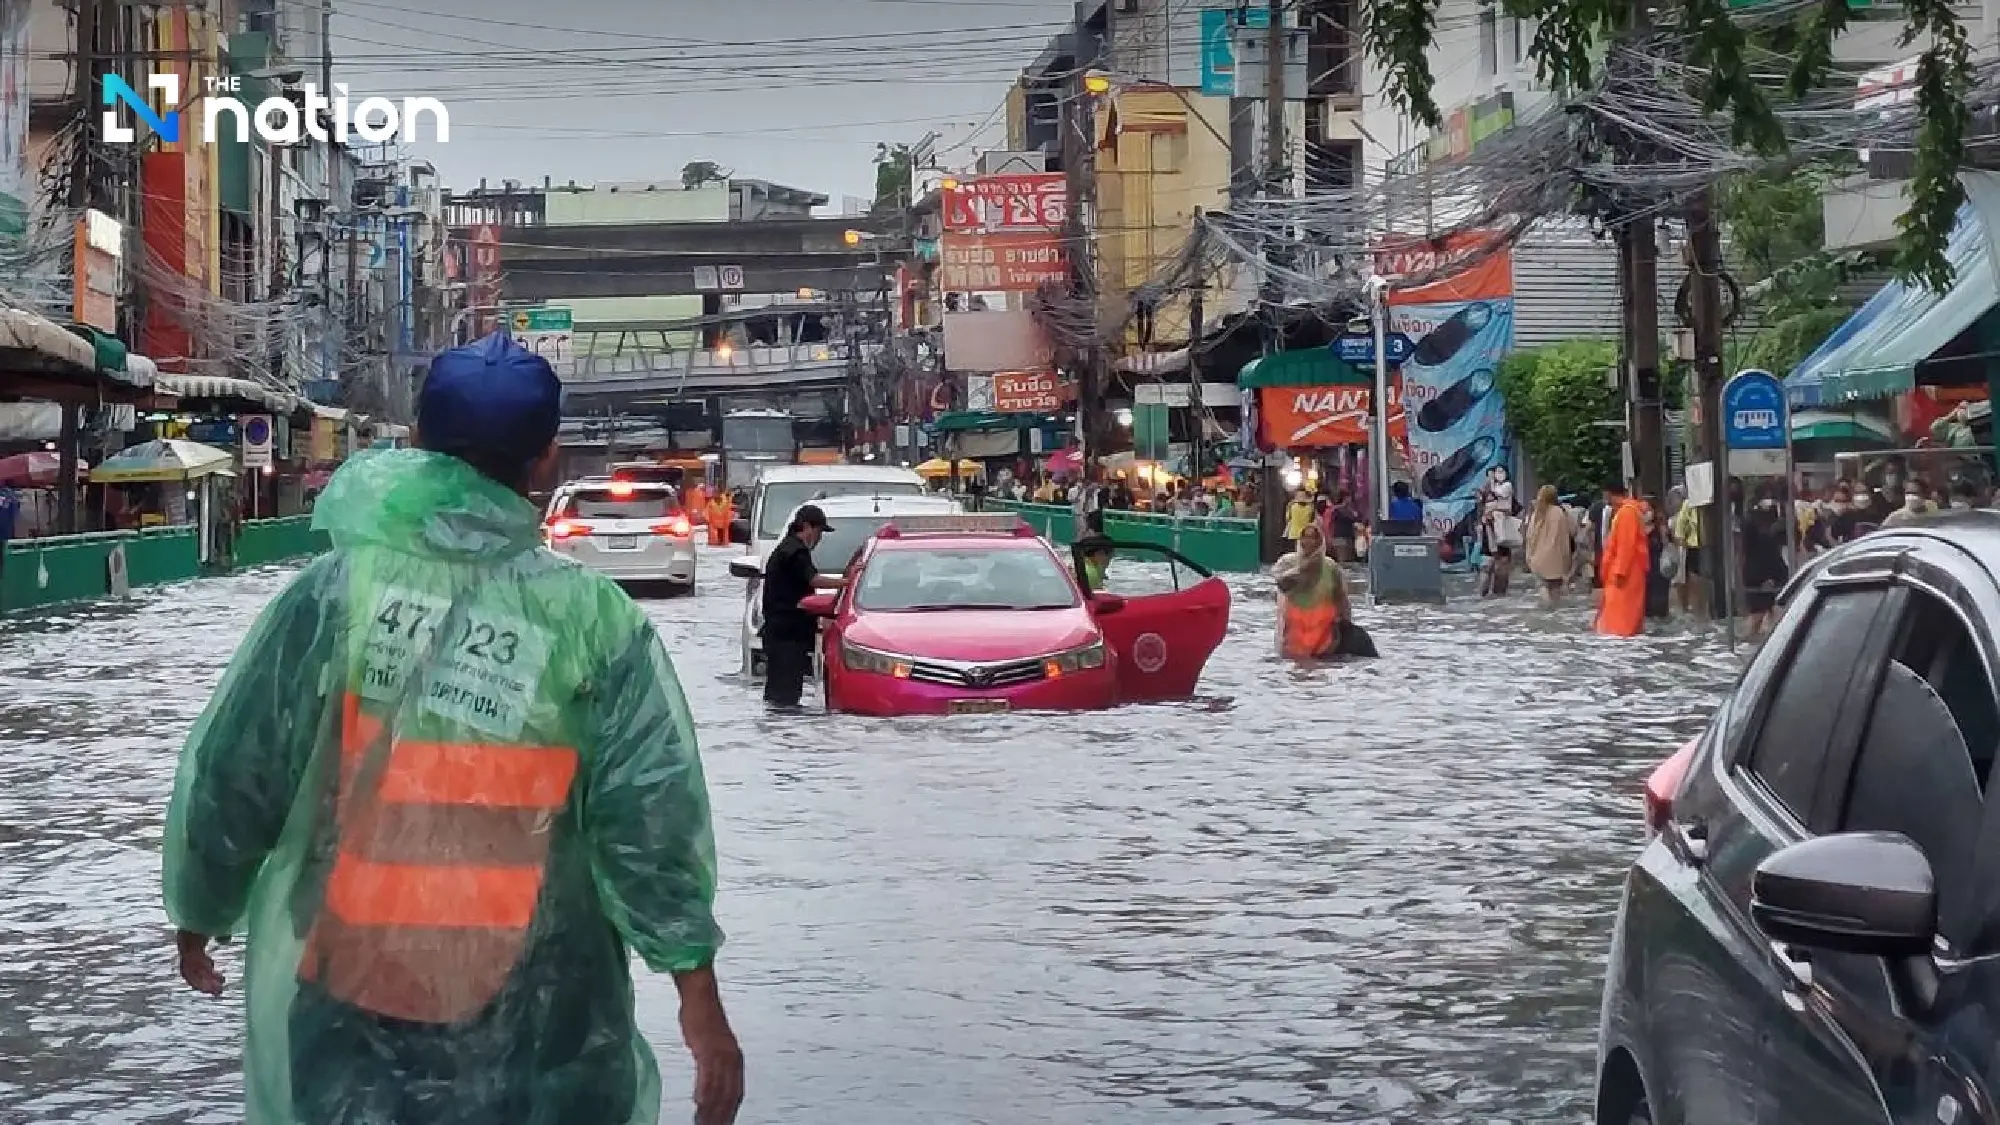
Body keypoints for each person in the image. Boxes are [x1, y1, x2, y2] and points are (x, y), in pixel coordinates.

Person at [161, 332, 744, 1125]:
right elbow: (649, 824)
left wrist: (201, 908)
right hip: (547, 1013)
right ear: (547, 460)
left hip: (354, 1005)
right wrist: (698, 998)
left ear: (418, 443)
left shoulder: (334, 594)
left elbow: (239, 769)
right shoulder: (595, 621)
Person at [760, 503, 845, 708]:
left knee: (778, 694)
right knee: (786, 695)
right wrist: (848, 582)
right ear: (806, 526)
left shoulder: (786, 548)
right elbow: (814, 580)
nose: (819, 538)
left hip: (780, 633)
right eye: (819, 532)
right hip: (787, 635)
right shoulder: (795, 551)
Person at [1272, 523, 1376, 659]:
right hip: (1294, 635)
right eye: (1305, 537)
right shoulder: (1287, 563)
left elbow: (1341, 598)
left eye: (1313, 537)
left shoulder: (1330, 566)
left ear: (1320, 541)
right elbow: (1281, 589)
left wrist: (1345, 623)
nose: (1309, 541)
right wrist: (1300, 571)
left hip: (1324, 636)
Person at [1594, 481, 1647, 637]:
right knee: (1623, 617)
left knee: (1619, 622)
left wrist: (1620, 572)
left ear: (1609, 494)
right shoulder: (1627, 511)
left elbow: (1626, 545)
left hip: (1624, 575)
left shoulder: (1627, 513)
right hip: (1626, 572)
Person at [1523, 484, 1573, 606]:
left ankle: (1545, 609)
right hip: (1556, 557)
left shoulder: (1536, 513)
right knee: (1555, 588)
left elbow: (1529, 536)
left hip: (1537, 556)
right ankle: (1553, 612)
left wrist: (1529, 555)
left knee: (1542, 585)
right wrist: (1567, 560)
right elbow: (1564, 537)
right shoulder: (1559, 512)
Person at [1477, 467, 1521, 598]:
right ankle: (1484, 594)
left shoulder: (1505, 489)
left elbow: (1514, 508)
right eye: (1493, 473)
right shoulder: (1485, 491)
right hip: (1489, 530)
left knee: (1501, 564)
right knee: (1488, 564)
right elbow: (1480, 509)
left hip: (1501, 529)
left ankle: (1498, 594)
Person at [0, 480, 17, 582]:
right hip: (6, 531)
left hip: (5, 531)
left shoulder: (10, 494)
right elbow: (15, 513)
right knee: (5, 557)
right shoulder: (11, 494)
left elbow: (14, 513)